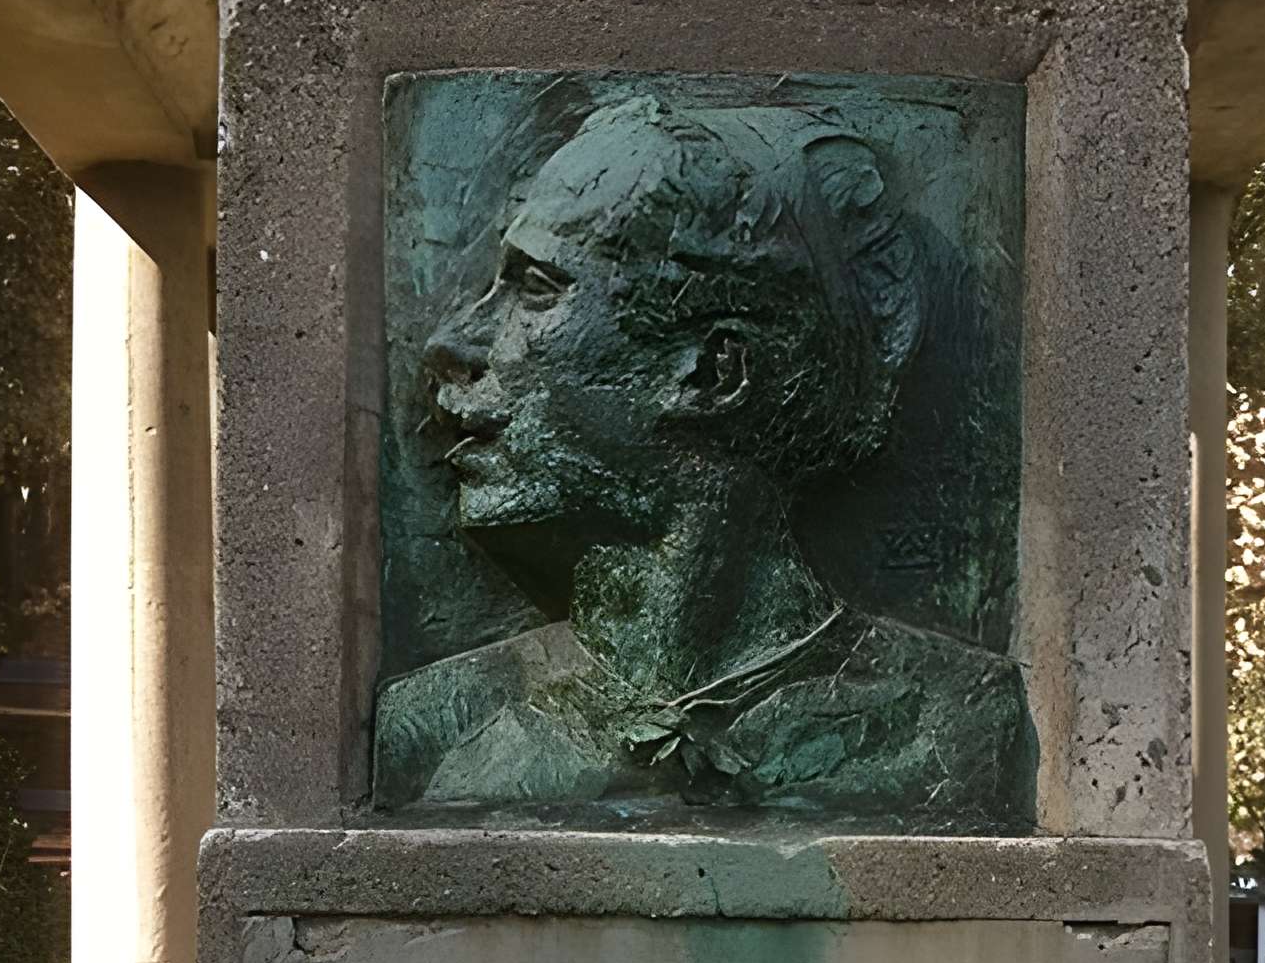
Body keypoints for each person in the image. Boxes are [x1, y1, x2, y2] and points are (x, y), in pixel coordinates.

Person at [373, 92, 1035, 823]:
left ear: (713, 372)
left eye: (536, 288)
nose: (453, 343)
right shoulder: (436, 732)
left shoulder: (955, 725)